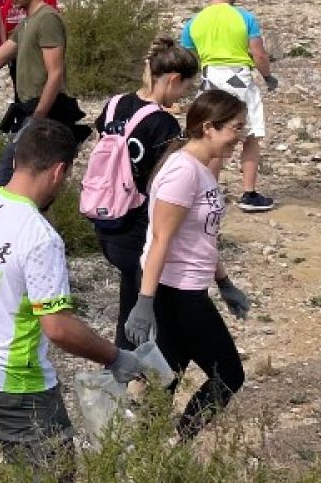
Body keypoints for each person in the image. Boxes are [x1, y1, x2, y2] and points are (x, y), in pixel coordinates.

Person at [0, 120, 142, 480]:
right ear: (60, 171)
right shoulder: (40, 237)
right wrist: (114, 357)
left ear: (16, 161)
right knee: (52, 473)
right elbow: (57, 327)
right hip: (18, 387)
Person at [125, 90, 252, 440]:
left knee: (170, 369)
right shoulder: (183, 172)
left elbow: (202, 237)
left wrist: (224, 282)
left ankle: (147, 449)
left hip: (188, 284)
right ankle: (178, 444)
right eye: (235, 128)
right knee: (228, 373)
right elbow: (161, 239)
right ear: (209, 127)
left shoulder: (202, 168)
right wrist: (145, 302)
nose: (239, 137)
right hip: (175, 289)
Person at [92, 38, 199, 349]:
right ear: (174, 79)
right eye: (185, 88)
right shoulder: (163, 124)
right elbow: (161, 185)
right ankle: (139, 377)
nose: (184, 96)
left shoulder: (114, 105)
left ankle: (123, 369)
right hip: (137, 226)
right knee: (148, 310)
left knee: (129, 297)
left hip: (106, 219)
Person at [179, 0, 277, 212]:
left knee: (212, 135)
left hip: (209, 78)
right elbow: (259, 54)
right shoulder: (244, 17)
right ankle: (249, 192)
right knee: (251, 135)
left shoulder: (195, 21)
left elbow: (187, 56)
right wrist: (267, 76)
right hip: (239, 79)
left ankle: (209, 192)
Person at [0, 0, 83, 187]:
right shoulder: (28, 22)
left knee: (6, 184)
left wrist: (37, 118)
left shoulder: (47, 19)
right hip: (28, 112)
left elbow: (55, 73)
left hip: (42, 114)